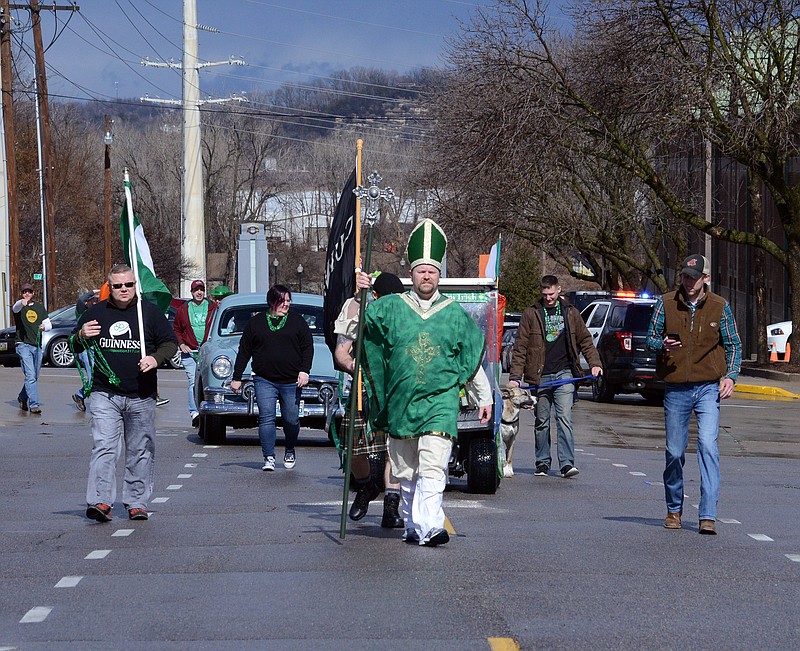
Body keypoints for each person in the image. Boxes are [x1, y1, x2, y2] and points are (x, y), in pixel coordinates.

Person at [362, 219, 493, 547]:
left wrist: (484, 397)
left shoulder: (453, 313)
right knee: (407, 468)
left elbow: (468, 357)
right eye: (421, 271)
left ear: (438, 275)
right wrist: (361, 295)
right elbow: (361, 331)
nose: (426, 276)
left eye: (432, 272)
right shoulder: (391, 307)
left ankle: (431, 525)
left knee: (434, 461)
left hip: (440, 401)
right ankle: (412, 522)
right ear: (413, 273)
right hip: (402, 402)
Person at [73, 264, 178, 522]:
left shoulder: (150, 314)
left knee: (140, 449)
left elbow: (170, 343)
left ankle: (136, 502)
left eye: (128, 285)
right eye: (118, 285)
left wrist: (155, 358)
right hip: (105, 393)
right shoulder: (96, 313)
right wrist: (80, 335)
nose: (123, 290)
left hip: (141, 395)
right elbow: (74, 344)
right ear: (110, 286)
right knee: (105, 446)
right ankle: (100, 501)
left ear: (135, 286)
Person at [646, 254, 742, 535]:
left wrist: (731, 376)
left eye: (694, 277)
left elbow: (734, 345)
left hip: (708, 387)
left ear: (705, 279)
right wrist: (661, 344)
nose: (688, 282)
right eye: (685, 277)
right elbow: (650, 338)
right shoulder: (666, 303)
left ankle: (707, 514)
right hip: (676, 388)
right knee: (675, 452)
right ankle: (673, 509)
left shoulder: (719, 307)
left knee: (708, 447)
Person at [508, 275, 602, 478]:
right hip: (540, 375)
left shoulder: (571, 312)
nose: (548, 298)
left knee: (564, 418)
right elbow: (520, 347)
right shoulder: (531, 314)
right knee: (542, 421)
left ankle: (567, 464)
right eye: (544, 294)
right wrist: (515, 377)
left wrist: (595, 364)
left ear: (559, 290)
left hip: (565, 373)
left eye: (551, 294)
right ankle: (542, 462)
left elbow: (585, 340)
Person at [334, 271, 405, 529]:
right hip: (364, 389)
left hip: (394, 391)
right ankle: (366, 487)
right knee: (353, 448)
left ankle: (391, 509)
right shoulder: (361, 312)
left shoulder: (404, 316)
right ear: (375, 297)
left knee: (393, 450)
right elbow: (341, 353)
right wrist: (357, 367)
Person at [230, 284, 313, 471]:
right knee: (266, 418)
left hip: (292, 381)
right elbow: (244, 351)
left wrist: (304, 370)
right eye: (282, 301)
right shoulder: (256, 323)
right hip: (264, 379)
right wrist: (237, 377)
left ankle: (290, 448)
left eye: (288, 301)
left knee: (291, 419)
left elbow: (308, 347)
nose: (286, 304)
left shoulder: (297, 322)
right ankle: (269, 457)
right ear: (272, 302)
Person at [173, 279, 218, 426]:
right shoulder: (183, 310)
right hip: (190, 352)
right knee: (193, 382)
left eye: (201, 289)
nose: (199, 292)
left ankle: (209, 410)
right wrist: (181, 344)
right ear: (191, 292)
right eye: (196, 290)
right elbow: (177, 329)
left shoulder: (213, 308)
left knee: (209, 383)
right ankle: (195, 413)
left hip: (207, 352)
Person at [13, 282, 52, 415]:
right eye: (24, 292)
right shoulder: (19, 307)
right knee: (30, 375)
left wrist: (44, 327)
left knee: (34, 376)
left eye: (29, 291)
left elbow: (49, 324)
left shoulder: (40, 308)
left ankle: (22, 397)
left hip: (36, 345)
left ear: (33, 293)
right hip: (22, 345)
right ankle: (34, 405)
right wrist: (21, 302)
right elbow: (15, 307)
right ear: (22, 293)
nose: (27, 294)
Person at [72, 290, 99, 412]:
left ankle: (80, 395)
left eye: (96, 300)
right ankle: (82, 396)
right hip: (85, 348)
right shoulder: (81, 312)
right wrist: (97, 290)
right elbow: (81, 300)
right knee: (92, 377)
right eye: (92, 300)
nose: (94, 302)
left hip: (96, 347)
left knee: (98, 376)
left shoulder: (98, 312)